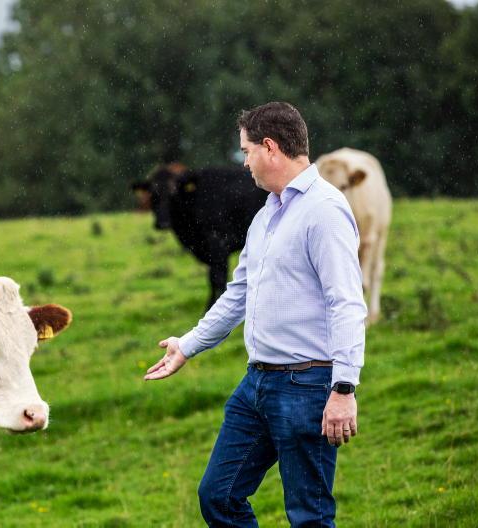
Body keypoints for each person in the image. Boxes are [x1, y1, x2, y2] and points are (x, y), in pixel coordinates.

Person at [144, 102, 367, 527]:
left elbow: (347, 303)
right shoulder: (267, 212)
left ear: (270, 148)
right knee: (218, 496)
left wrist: (343, 387)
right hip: (256, 384)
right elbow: (239, 292)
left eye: (246, 151)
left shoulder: (324, 210)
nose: (245, 163)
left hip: (307, 385)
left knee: (309, 516)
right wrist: (188, 345)